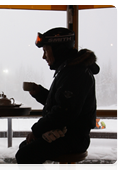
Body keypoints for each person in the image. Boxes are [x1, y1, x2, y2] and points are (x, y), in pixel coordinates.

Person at [15, 27, 99, 170]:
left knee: (25, 155)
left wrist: (36, 130)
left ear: (58, 49)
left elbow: (64, 111)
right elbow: (64, 104)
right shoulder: (70, 70)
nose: (44, 56)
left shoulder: (75, 73)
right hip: (68, 133)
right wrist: (39, 93)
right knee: (26, 150)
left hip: (73, 138)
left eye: (46, 50)